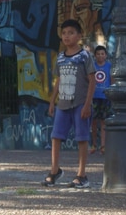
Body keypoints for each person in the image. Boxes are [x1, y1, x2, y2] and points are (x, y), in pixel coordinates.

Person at [42, 19, 96, 189]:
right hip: (62, 105)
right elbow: (58, 80)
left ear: (79, 36)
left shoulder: (84, 56)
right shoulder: (60, 58)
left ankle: (82, 174)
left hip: (80, 103)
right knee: (56, 137)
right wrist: (52, 101)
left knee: (81, 138)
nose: (67, 36)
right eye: (64, 33)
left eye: (71, 33)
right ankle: (54, 170)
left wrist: (87, 104)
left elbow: (92, 80)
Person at [89, 45, 112, 155]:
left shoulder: (109, 66)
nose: (100, 56)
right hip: (94, 97)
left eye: (102, 54)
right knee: (93, 122)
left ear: (106, 55)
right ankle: (94, 144)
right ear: (95, 56)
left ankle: (103, 146)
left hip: (105, 97)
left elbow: (112, 81)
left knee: (103, 122)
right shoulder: (92, 66)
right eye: (98, 54)